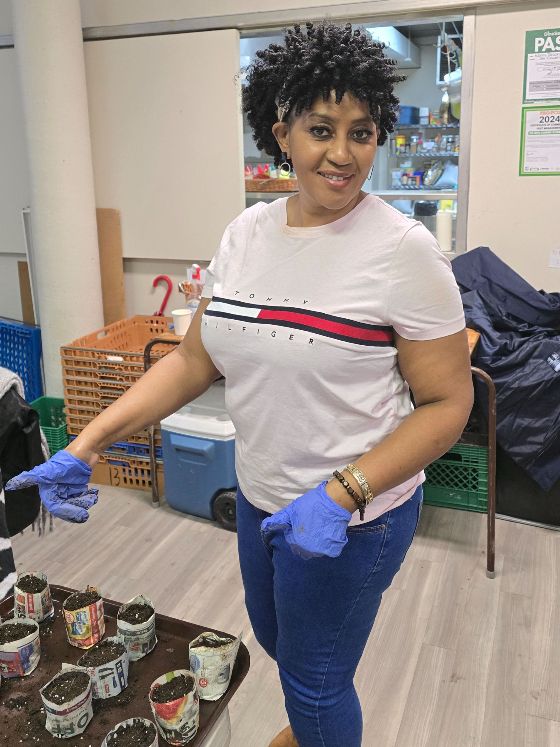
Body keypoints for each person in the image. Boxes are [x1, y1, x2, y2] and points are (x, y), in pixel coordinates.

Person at [6, 22, 473, 747]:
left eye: (362, 131)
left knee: (317, 680)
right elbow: (195, 360)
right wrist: (87, 442)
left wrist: (343, 491)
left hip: (355, 517)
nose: (343, 154)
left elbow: (449, 403)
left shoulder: (404, 252)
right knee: (282, 645)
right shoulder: (246, 235)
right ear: (280, 131)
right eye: (321, 128)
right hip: (261, 498)